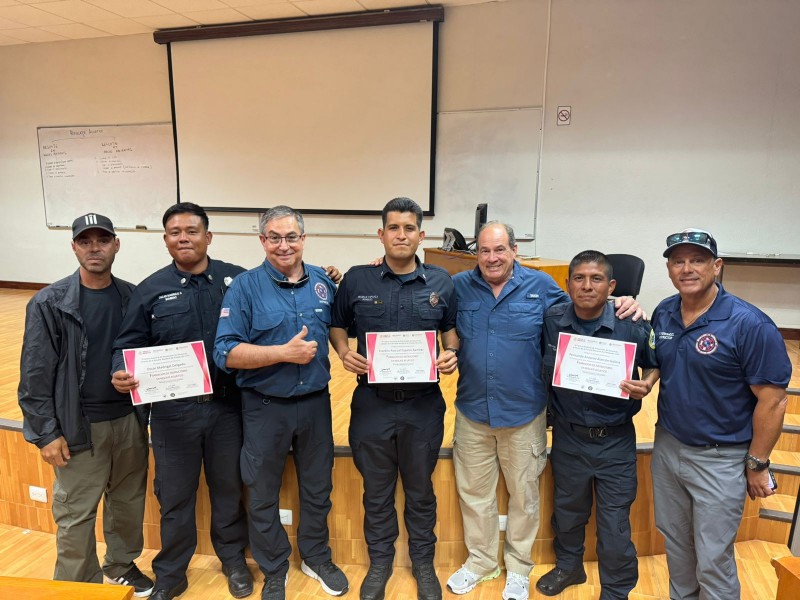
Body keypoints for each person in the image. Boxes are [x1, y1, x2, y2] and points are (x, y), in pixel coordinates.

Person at [446, 223, 641, 600]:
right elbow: (442, 318)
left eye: (500, 249)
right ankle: (482, 561)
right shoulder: (458, 286)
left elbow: (585, 303)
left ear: (514, 250)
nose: (492, 258)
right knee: (474, 494)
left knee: (524, 496)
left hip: (524, 413)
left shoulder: (541, 287)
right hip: (472, 410)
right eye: (484, 250)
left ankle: (519, 567)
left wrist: (623, 302)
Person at [111, 203, 252, 600]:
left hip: (227, 408)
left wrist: (328, 273)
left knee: (228, 488)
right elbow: (127, 345)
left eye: (192, 230)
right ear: (166, 240)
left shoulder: (236, 280)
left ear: (209, 236)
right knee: (174, 495)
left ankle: (232, 559)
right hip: (174, 414)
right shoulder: (150, 289)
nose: (184, 238)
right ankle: (171, 573)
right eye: (175, 232)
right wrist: (120, 371)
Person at [213, 206, 347, 600]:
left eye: (291, 237)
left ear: (303, 240)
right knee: (262, 491)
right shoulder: (243, 288)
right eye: (274, 237)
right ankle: (274, 568)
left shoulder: (324, 280)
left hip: (315, 405)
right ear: (262, 241)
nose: (283, 245)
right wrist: (281, 354)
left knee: (318, 487)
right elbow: (225, 353)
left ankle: (316, 557)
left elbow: (344, 322)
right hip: (264, 406)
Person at [650, 228, 791, 600]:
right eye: (678, 261)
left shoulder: (749, 324)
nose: (687, 268)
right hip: (668, 447)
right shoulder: (664, 312)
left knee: (713, 559)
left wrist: (757, 462)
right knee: (677, 548)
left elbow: (774, 401)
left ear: (717, 266)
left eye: (697, 260)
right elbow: (659, 361)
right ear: (668, 269)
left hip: (720, 457)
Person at [330, 197, 459, 600]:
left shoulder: (441, 282)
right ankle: (380, 563)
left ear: (421, 235)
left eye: (409, 228)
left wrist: (451, 353)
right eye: (393, 228)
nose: (400, 235)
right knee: (377, 490)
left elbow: (450, 330)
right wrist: (343, 351)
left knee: (420, 489)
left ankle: (423, 564)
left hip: (423, 405)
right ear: (381, 234)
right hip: (372, 404)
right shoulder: (356, 279)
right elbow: (337, 325)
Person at [18, 213, 153, 597]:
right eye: (86, 241)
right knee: (76, 515)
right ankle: (78, 588)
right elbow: (35, 375)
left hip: (128, 421)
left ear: (116, 245)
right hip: (79, 427)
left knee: (127, 504)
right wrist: (46, 432)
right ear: (74, 246)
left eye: (103, 240)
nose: (95, 248)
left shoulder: (132, 296)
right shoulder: (50, 302)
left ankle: (121, 565)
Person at [537, 250, 659, 599]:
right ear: (568, 283)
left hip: (614, 441)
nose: (587, 286)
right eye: (579, 278)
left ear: (612, 286)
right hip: (568, 438)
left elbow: (653, 363)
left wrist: (647, 383)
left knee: (615, 526)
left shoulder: (632, 324)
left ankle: (616, 590)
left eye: (596, 279)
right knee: (568, 513)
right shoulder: (552, 319)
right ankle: (569, 567)